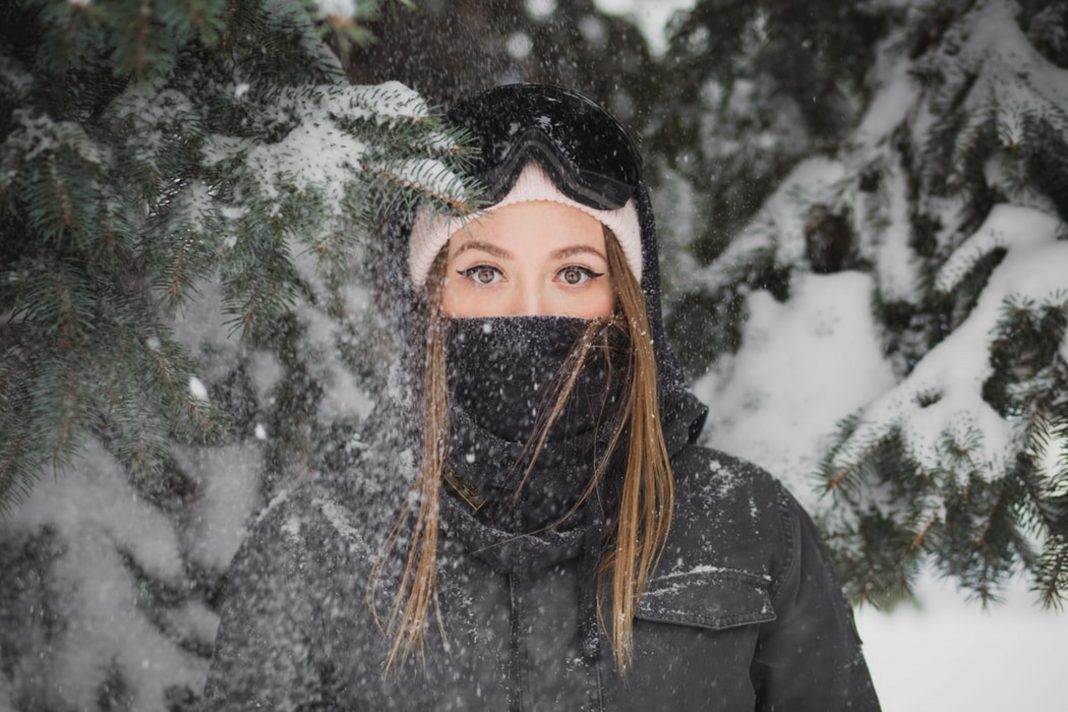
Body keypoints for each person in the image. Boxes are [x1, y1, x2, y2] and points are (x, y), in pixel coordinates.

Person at [201, 83, 881, 711]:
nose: (530, 313)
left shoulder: (747, 527)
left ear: (628, 302)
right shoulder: (318, 544)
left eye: (575, 272)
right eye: (485, 271)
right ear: (425, 300)